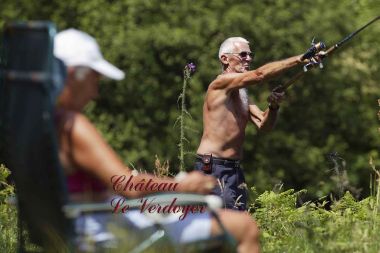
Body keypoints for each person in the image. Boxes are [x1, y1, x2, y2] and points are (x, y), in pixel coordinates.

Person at [54, 29, 260, 253]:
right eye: (95, 78)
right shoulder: (72, 125)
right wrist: (182, 186)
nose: (95, 92)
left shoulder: (40, 123)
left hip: (81, 221)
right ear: (76, 74)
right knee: (244, 226)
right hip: (101, 227)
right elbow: (127, 185)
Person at [195, 37, 322, 211]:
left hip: (234, 169)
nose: (249, 58)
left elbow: (264, 125)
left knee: (237, 224)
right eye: (243, 54)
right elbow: (259, 75)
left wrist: (273, 106)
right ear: (225, 59)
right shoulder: (219, 84)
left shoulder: (242, 94)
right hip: (213, 166)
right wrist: (300, 59)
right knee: (222, 227)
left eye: (250, 54)